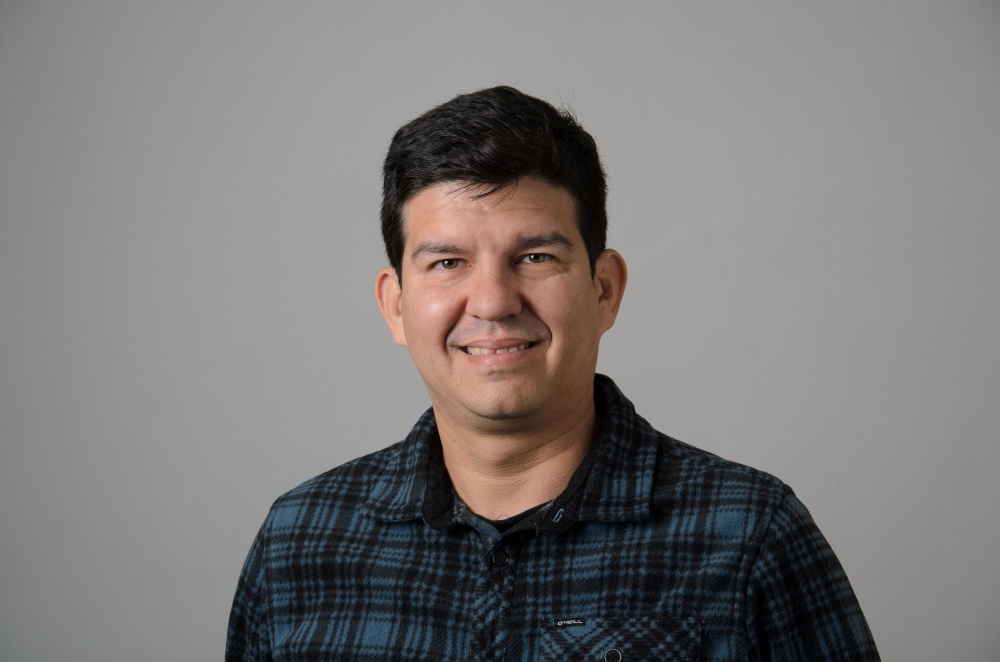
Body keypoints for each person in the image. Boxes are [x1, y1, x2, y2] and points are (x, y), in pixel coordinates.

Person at [226, 86, 879, 662]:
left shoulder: (749, 536)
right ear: (396, 306)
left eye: (534, 255)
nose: (492, 302)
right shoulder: (298, 544)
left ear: (604, 289)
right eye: (448, 262)